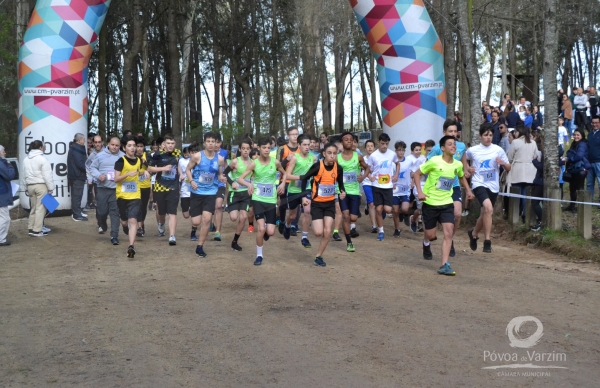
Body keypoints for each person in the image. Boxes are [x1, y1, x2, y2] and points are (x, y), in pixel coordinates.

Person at [414, 136, 474, 276]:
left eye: (454, 144)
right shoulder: (434, 161)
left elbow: (460, 176)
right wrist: (420, 192)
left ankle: (444, 265)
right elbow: (416, 174)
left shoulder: (457, 164)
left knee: (448, 233)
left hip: (447, 203)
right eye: (450, 144)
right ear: (442, 148)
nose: (453, 146)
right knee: (431, 235)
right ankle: (426, 242)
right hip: (430, 202)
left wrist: (469, 190)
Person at [237, 136, 286, 266]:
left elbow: (284, 173)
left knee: (270, 231)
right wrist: (249, 185)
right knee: (261, 229)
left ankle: (266, 233)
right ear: (258, 148)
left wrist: (282, 184)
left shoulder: (275, 162)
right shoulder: (254, 163)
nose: (266, 150)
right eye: (264, 148)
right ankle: (259, 255)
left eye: (268, 148)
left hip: (270, 200)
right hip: (258, 199)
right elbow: (240, 179)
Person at [298, 142, 347, 266]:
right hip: (317, 204)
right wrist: (304, 197)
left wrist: (342, 192)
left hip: (330, 203)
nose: (332, 156)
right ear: (324, 154)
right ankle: (306, 237)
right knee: (318, 233)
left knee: (327, 231)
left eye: (334, 153)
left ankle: (318, 256)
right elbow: (304, 179)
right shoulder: (317, 166)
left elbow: (341, 185)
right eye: (329, 153)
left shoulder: (338, 168)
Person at [427, 119, 470, 256]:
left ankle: (449, 239)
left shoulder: (461, 146)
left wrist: (468, 169)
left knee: (457, 214)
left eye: (455, 131)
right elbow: (427, 165)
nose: (453, 134)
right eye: (450, 131)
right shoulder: (437, 148)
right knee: (431, 227)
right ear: (444, 132)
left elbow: (464, 164)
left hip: (454, 185)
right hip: (436, 188)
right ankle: (426, 243)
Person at [466, 123, 511, 253]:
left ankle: (473, 234)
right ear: (480, 136)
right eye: (485, 135)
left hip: (493, 186)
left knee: (486, 213)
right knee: (488, 208)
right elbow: (463, 157)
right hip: (478, 183)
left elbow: (509, 168)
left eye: (490, 135)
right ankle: (487, 241)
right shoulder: (473, 150)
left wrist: (503, 164)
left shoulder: (498, 150)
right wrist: (467, 168)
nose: (488, 138)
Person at [186, 133, 226, 258]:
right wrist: (192, 181)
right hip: (197, 192)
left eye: (212, 141)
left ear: (216, 143)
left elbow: (219, 173)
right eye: (208, 141)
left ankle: (200, 246)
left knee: (207, 219)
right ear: (204, 143)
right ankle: (192, 213)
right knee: (196, 221)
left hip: (211, 193)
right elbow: (187, 169)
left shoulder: (219, 159)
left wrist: (221, 177)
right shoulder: (197, 156)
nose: (210, 143)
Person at [114, 136, 148, 258]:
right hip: (122, 196)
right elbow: (116, 179)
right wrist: (127, 174)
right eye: (130, 145)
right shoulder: (120, 161)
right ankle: (124, 226)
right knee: (124, 221)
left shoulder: (139, 160)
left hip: (135, 195)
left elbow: (138, 172)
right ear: (124, 148)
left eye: (134, 145)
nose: (133, 148)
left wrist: (145, 172)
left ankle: (131, 246)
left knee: (133, 220)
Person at [336, 132, 370, 251]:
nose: (349, 141)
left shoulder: (358, 156)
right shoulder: (337, 158)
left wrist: (363, 177)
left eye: (351, 140)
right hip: (342, 191)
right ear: (342, 143)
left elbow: (367, 168)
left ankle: (350, 226)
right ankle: (349, 242)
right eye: (346, 140)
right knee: (345, 216)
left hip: (355, 191)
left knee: (353, 218)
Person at [90, 137, 124, 245]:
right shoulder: (100, 156)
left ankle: (114, 235)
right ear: (108, 144)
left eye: (117, 145)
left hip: (116, 189)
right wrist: (99, 175)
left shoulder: (123, 157)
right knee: (102, 211)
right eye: (112, 145)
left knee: (115, 213)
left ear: (119, 146)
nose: (114, 147)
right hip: (102, 188)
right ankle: (102, 223)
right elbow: (92, 168)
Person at [284, 134, 316, 248]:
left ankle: (304, 237)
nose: (307, 147)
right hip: (293, 190)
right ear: (299, 145)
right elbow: (287, 175)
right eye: (304, 145)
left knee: (307, 211)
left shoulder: (313, 158)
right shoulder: (295, 158)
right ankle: (287, 225)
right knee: (292, 215)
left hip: (306, 190)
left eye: (309, 144)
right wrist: (301, 177)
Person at [148, 133, 180, 245]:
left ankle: (172, 236)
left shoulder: (177, 153)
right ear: (164, 144)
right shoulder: (157, 155)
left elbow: (178, 164)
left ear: (174, 144)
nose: (170, 145)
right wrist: (163, 168)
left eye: (172, 143)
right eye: (168, 143)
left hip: (174, 187)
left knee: (172, 212)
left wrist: (181, 174)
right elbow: (149, 168)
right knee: (161, 212)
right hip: (160, 187)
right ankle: (161, 224)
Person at [366, 133, 399, 241]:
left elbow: (397, 163)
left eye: (387, 144)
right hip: (376, 185)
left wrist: (396, 175)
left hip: (388, 186)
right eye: (383, 144)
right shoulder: (373, 156)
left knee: (388, 209)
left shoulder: (392, 154)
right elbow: (367, 168)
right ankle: (381, 231)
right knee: (379, 209)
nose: (385, 146)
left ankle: (383, 214)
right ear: (378, 143)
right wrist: (370, 176)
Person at [223, 138, 253, 251]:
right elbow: (225, 173)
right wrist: (232, 183)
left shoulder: (252, 163)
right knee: (233, 218)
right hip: (234, 193)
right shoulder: (235, 161)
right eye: (243, 148)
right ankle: (229, 207)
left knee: (243, 217)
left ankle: (235, 241)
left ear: (250, 150)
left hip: (245, 194)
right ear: (240, 149)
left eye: (247, 149)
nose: (245, 151)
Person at [22, 140, 55, 237]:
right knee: (40, 208)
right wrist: (50, 187)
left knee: (33, 208)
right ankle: (37, 230)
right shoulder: (43, 159)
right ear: (40, 147)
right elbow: (47, 175)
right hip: (41, 185)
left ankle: (31, 228)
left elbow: (24, 175)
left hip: (30, 186)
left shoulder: (25, 159)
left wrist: (25, 187)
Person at [506, 125, 538, 220]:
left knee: (516, 194)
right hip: (530, 170)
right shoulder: (533, 142)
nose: (515, 133)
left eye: (516, 131)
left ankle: (515, 214)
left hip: (517, 170)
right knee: (526, 194)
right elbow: (536, 155)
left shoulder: (515, 142)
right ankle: (525, 214)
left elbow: (510, 157)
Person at [277, 126, 300, 234]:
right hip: (284, 180)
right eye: (293, 134)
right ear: (288, 136)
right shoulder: (282, 148)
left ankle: (293, 225)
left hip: (296, 181)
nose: (295, 136)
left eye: (297, 134)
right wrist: (286, 159)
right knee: (283, 203)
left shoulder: (301, 148)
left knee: (296, 203)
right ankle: (282, 221)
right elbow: (277, 165)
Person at [410, 140, 435, 232]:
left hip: (431, 187)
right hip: (420, 186)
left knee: (427, 209)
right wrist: (421, 174)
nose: (430, 152)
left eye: (432, 151)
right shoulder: (420, 160)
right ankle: (414, 218)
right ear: (425, 150)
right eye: (428, 150)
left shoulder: (436, 161)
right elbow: (413, 173)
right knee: (420, 209)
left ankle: (425, 227)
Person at [564, 129, 591, 212]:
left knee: (579, 187)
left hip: (580, 169)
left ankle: (581, 207)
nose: (576, 136)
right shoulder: (575, 144)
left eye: (578, 135)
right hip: (575, 169)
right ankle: (572, 206)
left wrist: (569, 158)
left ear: (582, 136)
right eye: (575, 135)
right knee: (572, 188)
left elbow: (579, 156)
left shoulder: (582, 144)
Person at [391, 141, 411, 237]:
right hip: (395, 190)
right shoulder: (392, 162)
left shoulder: (408, 161)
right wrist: (391, 184)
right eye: (399, 150)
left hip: (405, 189)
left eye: (403, 150)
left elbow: (414, 173)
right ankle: (397, 229)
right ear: (396, 151)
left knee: (405, 208)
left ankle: (405, 214)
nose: (401, 152)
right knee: (395, 211)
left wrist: (413, 183)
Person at [67, 133, 88, 221]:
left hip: (77, 175)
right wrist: (88, 168)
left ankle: (77, 211)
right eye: (83, 139)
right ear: (79, 140)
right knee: (77, 196)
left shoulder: (76, 148)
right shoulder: (76, 149)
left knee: (77, 195)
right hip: (77, 176)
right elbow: (80, 163)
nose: (85, 141)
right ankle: (76, 215)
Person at [212, 136, 229, 241]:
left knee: (218, 206)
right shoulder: (204, 154)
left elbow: (226, 165)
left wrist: (226, 176)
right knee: (211, 207)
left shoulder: (224, 153)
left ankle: (218, 231)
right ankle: (211, 223)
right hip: (208, 184)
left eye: (218, 142)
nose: (216, 145)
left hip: (220, 183)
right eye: (214, 142)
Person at [360, 139, 378, 233]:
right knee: (372, 204)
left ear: (374, 148)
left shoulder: (378, 158)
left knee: (378, 205)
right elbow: (365, 170)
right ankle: (374, 226)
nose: (370, 148)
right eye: (368, 146)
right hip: (367, 182)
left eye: (371, 146)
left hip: (377, 183)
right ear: (365, 148)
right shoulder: (363, 159)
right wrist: (369, 177)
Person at [135, 137, 151, 237]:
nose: (139, 148)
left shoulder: (147, 156)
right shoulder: (131, 156)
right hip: (135, 186)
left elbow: (152, 169)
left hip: (145, 186)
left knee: (143, 207)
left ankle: (142, 224)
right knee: (137, 206)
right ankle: (138, 227)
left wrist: (145, 163)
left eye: (141, 146)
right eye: (138, 146)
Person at [0, 145, 15, 246]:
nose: (5, 153)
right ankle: (1, 239)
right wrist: (9, 165)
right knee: (5, 218)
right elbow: (10, 175)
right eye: (3, 151)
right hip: (1, 193)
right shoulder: (1, 164)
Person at [85, 135, 104, 210]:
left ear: (102, 142)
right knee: (99, 202)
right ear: (93, 143)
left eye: (99, 142)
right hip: (97, 183)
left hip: (108, 182)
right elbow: (88, 166)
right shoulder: (92, 155)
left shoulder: (108, 153)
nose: (97, 144)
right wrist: (90, 178)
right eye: (95, 142)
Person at [178, 147, 193, 237]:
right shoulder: (181, 161)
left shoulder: (195, 160)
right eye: (185, 153)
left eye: (188, 153)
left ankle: (195, 212)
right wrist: (181, 175)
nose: (187, 155)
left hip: (194, 189)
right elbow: (179, 169)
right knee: (186, 215)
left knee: (194, 211)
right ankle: (191, 210)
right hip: (184, 188)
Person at [585, 117, 600, 201]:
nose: (594, 124)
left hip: (599, 162)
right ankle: (589, 201)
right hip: (590, 162)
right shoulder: (590, 134)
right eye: (593, 123)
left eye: (596, 122)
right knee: (589, 184)